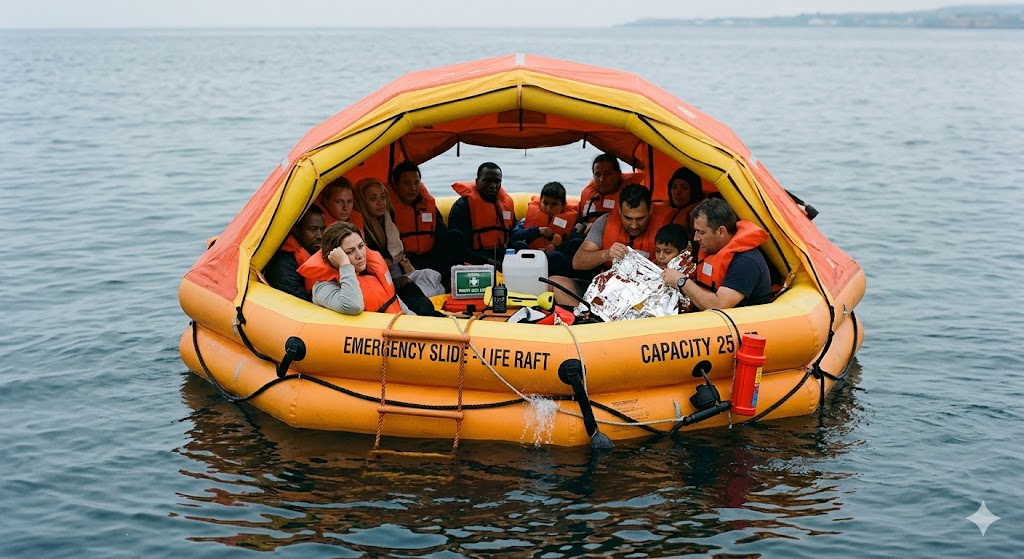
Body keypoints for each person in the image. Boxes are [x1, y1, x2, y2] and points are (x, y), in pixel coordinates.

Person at [549, 183, 670, 305]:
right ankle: (584, 318)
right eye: (627, 218)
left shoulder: (666, 228)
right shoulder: (605, 222)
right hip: (604, 291)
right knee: (553, 282)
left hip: (645, 296)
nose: (634, 225)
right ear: (619, 210)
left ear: (650, 210)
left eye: (640, 218)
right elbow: (577, 262)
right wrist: (606, 254)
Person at [353, 177, 445, 316]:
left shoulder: (387, 222)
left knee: (423, 299)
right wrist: (396, 279)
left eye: (382, 197)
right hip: (378, 284)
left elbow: (393, 258)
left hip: (396, 277)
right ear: (362, 202)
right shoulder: (360, 231)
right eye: (373, 199)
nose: (380, 203)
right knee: (418, 303)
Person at [662, 197, 772, 310]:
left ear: (721, 232)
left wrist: (680, 281)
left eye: (701, 232)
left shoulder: (746, 262)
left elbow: (719, 305)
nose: (696, 238)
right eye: (696, 231)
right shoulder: (710, 249)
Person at [296, 221, 410, 316]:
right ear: (336, 256)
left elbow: (395, 301)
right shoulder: (323, 288)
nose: (359, 255)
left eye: (361, 246)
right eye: (349, 252)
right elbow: (354, 306)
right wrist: (345, 265)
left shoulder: (370, 272)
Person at [388, 160, 459, 285]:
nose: (413, 188)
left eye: (416, 183)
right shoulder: (387, 209)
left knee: (455, 236)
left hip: (430, 257)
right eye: (406, 183)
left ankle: (450, 280)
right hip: (404, 260)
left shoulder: (428, 205)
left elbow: (442, 233)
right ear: (395, 184)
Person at [447, 162, 516, 269]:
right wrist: (491, 263)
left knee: (521, 245)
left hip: (502, 256)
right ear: (477, 181)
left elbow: (512, 234)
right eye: (487, 181)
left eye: (497, 181)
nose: (493, 186)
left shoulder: (505, 205)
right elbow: (460, 247)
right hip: (475, 258)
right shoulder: (462, 206)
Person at [509, 181, 577, 276]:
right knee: (519, 245)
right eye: (545, 203)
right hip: (530, 259)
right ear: (540, 201)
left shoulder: (572, 224)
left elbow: (573, 245)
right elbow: (513, 237)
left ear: (563, 205)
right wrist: (537, 231)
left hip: (552, 262)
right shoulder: (526, 220)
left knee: (558, 255)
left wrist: (555, 245)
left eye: (554, 204)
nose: (548, 208)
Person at [263, 205, 326, 301]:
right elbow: (299, 301)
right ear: (296, 230)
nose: (320, 236)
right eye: (313, 230)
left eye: (322, 229)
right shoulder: (282, 265)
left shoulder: (322, 253)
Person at [666, 166, 704, 236]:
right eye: (674, 187)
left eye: (684, 188)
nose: (677, 192)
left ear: (694, 191)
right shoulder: (670, 212)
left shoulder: (701, 216)